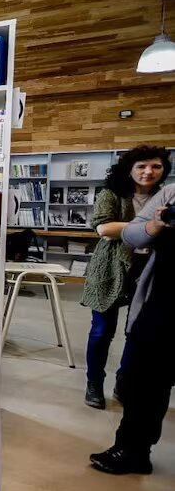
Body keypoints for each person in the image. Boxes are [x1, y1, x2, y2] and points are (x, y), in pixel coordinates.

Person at [90, 182, 175, 474]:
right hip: (162, 299)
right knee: (147, 378)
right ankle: (133, 449)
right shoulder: (170, 193)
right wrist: (156, 224)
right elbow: (131, 234)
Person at [81, 145, 170, 409]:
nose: (148, 171)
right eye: (141, 166)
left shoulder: (166, 196)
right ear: (129, 169)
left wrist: (128, 229)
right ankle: (94, 382)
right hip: (110, 267)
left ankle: (124, 381)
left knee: (137, 332)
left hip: (149, 268)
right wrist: (152, 226)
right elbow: (103, 228)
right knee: (101, 331)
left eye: (156, 166)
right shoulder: (111, 194)